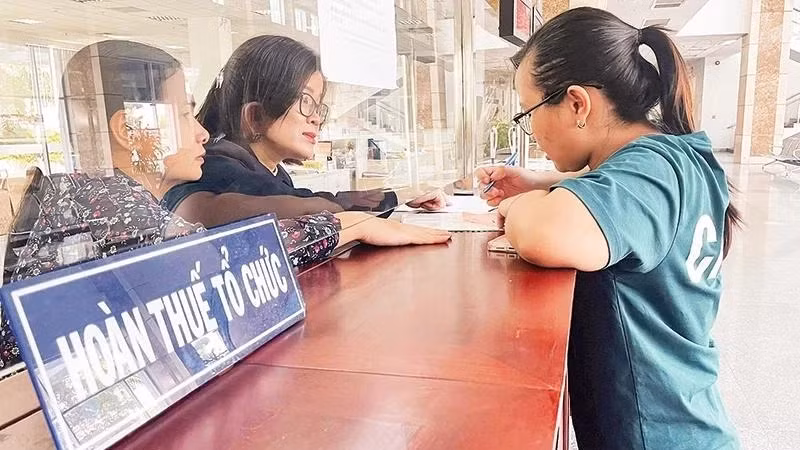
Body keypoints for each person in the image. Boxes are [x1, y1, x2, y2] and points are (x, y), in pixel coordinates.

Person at [0, 40, 450, 379]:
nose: (200, 132)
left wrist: (349, 221)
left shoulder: (96, 195)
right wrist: (347, 225)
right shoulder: (104, 202)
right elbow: (221, 268)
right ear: (129, 129)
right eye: (181, 114)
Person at [476, 8, 740, 449]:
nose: (531, 130)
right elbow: (624, 192)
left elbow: (546, 234)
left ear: (578, 103)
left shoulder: (650, 170)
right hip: (687, 421)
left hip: (655, 433)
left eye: (528, 111)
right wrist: (547, 181)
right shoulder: (680, 156)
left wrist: (520, 204)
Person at [161, 35, 447, 227]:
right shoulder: (222, 167)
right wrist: (392, 200)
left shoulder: (265, 169)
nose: (316, 119)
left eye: (318, 106)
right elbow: (311, 206)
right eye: (305, 101)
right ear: (256, 114)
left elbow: (307, 198)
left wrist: (397, 195)